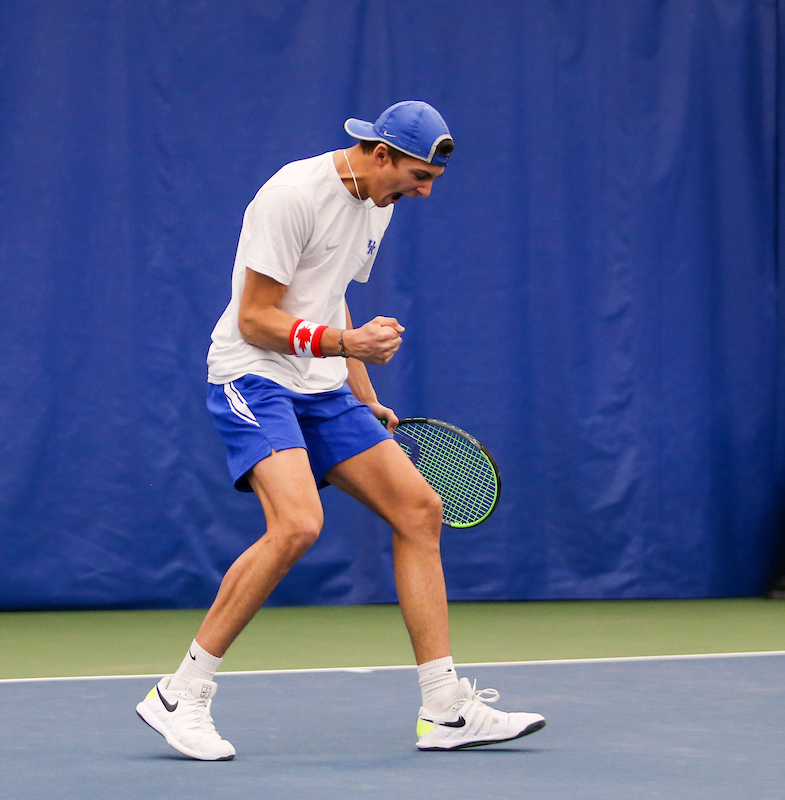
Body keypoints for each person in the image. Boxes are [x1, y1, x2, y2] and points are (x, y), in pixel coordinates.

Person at [135, 101, 546, 759]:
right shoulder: (291, 196)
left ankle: (444, 711)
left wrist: (364, 391)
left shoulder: (377, 204)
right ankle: (181, 694)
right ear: (381, 155)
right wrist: (344, 342)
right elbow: (254, 318)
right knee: (297, 524)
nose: (426, 189)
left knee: (419, 509)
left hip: (322, 385)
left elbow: (330, 294)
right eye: (418, 174)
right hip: (254, 376)